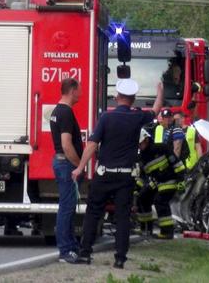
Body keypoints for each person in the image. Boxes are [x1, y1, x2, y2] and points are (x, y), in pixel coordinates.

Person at [72, 78, 163, 269]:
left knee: (93, 213)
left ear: (117, 97)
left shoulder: (106, 117)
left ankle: (85, 253)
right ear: (133, 98)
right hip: (126, 176)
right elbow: (155, 110)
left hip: (104, 174)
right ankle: (120, 258)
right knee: (123, 216)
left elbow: (92, 145)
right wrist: (160, 90)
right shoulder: (137, 117)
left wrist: (80, 168)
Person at [50, 78, 84, 264]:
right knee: (67, 208)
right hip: (66, 164)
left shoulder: (58, 111)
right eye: (79, 90)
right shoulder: (66, 113)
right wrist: (79, 166)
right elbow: (66, 144)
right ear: (72, 91)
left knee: (68, 207)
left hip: (62, 163)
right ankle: (65, 250)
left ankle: (71, 246)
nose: (81, 93)